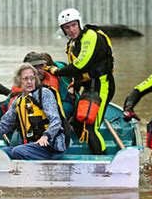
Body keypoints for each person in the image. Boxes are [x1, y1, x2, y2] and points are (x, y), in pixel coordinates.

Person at [46, 8, 115, 155]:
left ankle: (103, 160)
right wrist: (75, 86)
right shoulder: (73, 44)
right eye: (67, 27)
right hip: (89, 87)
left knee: (91, 127)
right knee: (77, 123)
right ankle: (88, 152)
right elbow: (80, 73)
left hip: (102, 86)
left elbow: (80, 65)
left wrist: (56, 71)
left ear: (79, 23)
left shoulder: (90, 36)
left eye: (73, 25)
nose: (71, 30)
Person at [0, 63, 69, 160]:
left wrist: (46, 136)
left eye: (32, 78)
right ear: (19, 82)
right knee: (2, 152)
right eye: (25, 79)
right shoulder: (18, 101)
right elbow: (4, 124)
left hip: (51, 145)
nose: (29, 82)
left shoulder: (44, 94)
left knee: (17, 151)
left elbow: (56, 120)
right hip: (33, 145)